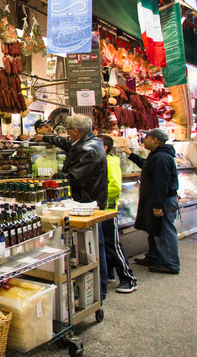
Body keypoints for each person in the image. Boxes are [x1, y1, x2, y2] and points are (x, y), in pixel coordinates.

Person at [35, 114, 109, 299]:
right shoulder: (90, 142)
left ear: (75, 131)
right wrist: (44, 137)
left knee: (94, 247)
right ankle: (98, 287)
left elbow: (74, 179)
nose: (67, 134)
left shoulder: (87, 150)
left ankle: (99, 289)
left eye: (68, 130)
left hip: (86, 202)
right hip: (90, 199)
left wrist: (56, 177)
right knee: (93, 245)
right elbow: (69, 145)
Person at [123, 129, 180, 274]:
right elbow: (147, 166)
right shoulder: (156, 155)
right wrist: (131, 155)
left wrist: (158, 205)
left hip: (164, 201)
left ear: (155, 140)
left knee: (164, 231)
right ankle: (155, 257)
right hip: (159, 200)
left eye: (147, 137)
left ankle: (171, 264)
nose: (144, 139)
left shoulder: (161, 157)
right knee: (154, 229)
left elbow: (162, 182)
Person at [98, 134, 137, 293]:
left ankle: (129, 279)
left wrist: (98, 198)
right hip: (99, 210)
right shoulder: (101, 162)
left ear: (104, 148)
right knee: (106, 245)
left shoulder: (110, 163)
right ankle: (109, 274)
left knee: (113, 246)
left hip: (108, 210)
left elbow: (114, 187)